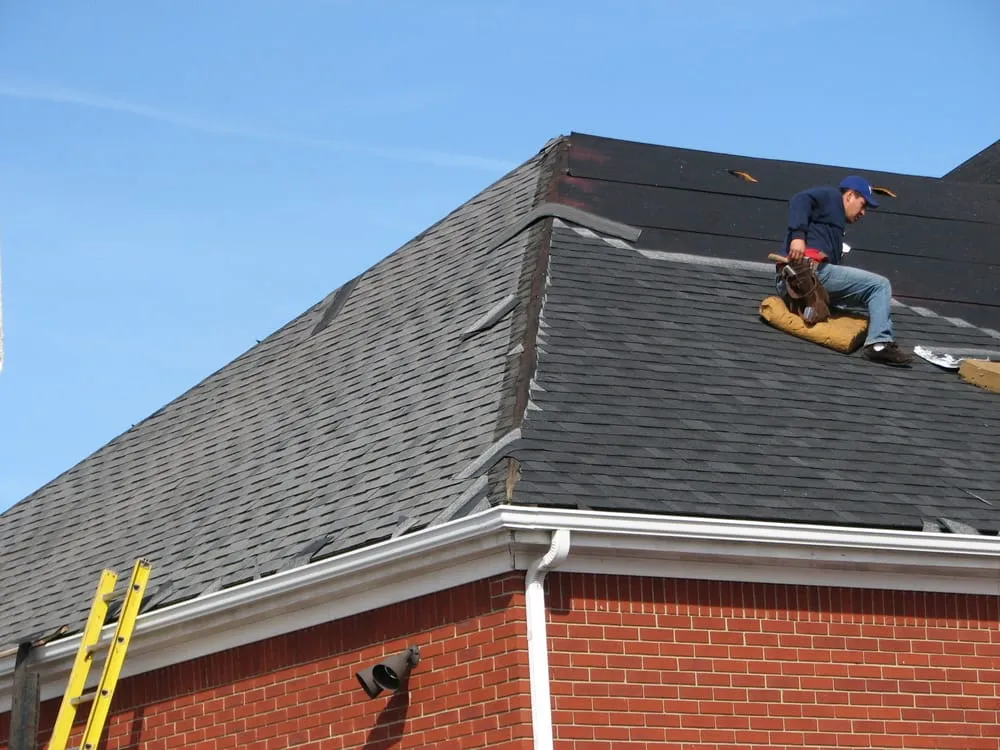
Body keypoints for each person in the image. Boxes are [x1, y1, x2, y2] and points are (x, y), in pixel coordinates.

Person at [778, 175, 913, 367]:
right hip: (803, 274)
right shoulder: (831, 196)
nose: (863, 212)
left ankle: (821, 312)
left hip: (801, 283)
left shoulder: (832, 223)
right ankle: (879, 344)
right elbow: (800, 199)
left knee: (856, 305)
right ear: (850, 196)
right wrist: (798, 236)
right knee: (879, 286)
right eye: (863, 204)